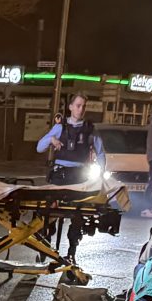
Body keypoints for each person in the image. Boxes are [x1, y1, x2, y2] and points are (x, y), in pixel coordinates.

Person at [37, 92, 101, 254]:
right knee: (49, 206)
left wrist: (102, 177)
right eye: (78, 105)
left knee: (78, 213)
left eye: (84, 106)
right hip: (61, 174)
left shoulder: (90, 129)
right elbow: (39, 147)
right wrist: (51, 140)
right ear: (71, 107)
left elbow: (101, 153)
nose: (81, 109)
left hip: (80, 176)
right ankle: (46, 235)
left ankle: (72, 250)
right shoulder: (60, 127)